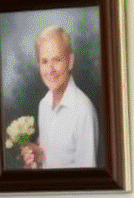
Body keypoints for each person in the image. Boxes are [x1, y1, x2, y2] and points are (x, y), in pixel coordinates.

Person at [21, 26, 98, 170]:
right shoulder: (43, 104)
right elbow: (53, 158)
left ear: (70, 61)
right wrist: (38, 156)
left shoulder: (83, 110)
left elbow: (87, 177)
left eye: (57, 60)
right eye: (44, 61)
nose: (50, 70)